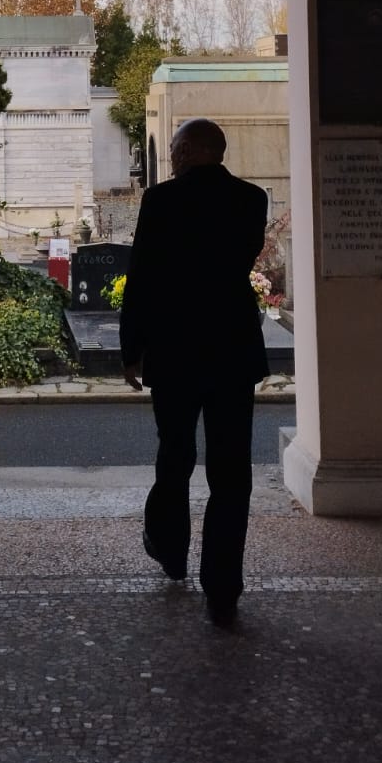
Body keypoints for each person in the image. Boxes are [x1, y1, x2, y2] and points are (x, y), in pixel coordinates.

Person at [119, 118, 268, 627]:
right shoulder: (251, 200)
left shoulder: (160, 202)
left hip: (175, 346)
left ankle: (170, 548)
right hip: (231, 347)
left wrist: (130, 350)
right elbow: (239, 259)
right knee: (231, 471)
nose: (175, 157)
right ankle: (223, 587)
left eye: (179, 149)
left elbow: (140, 278)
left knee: (174, 454)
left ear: (196, 150)